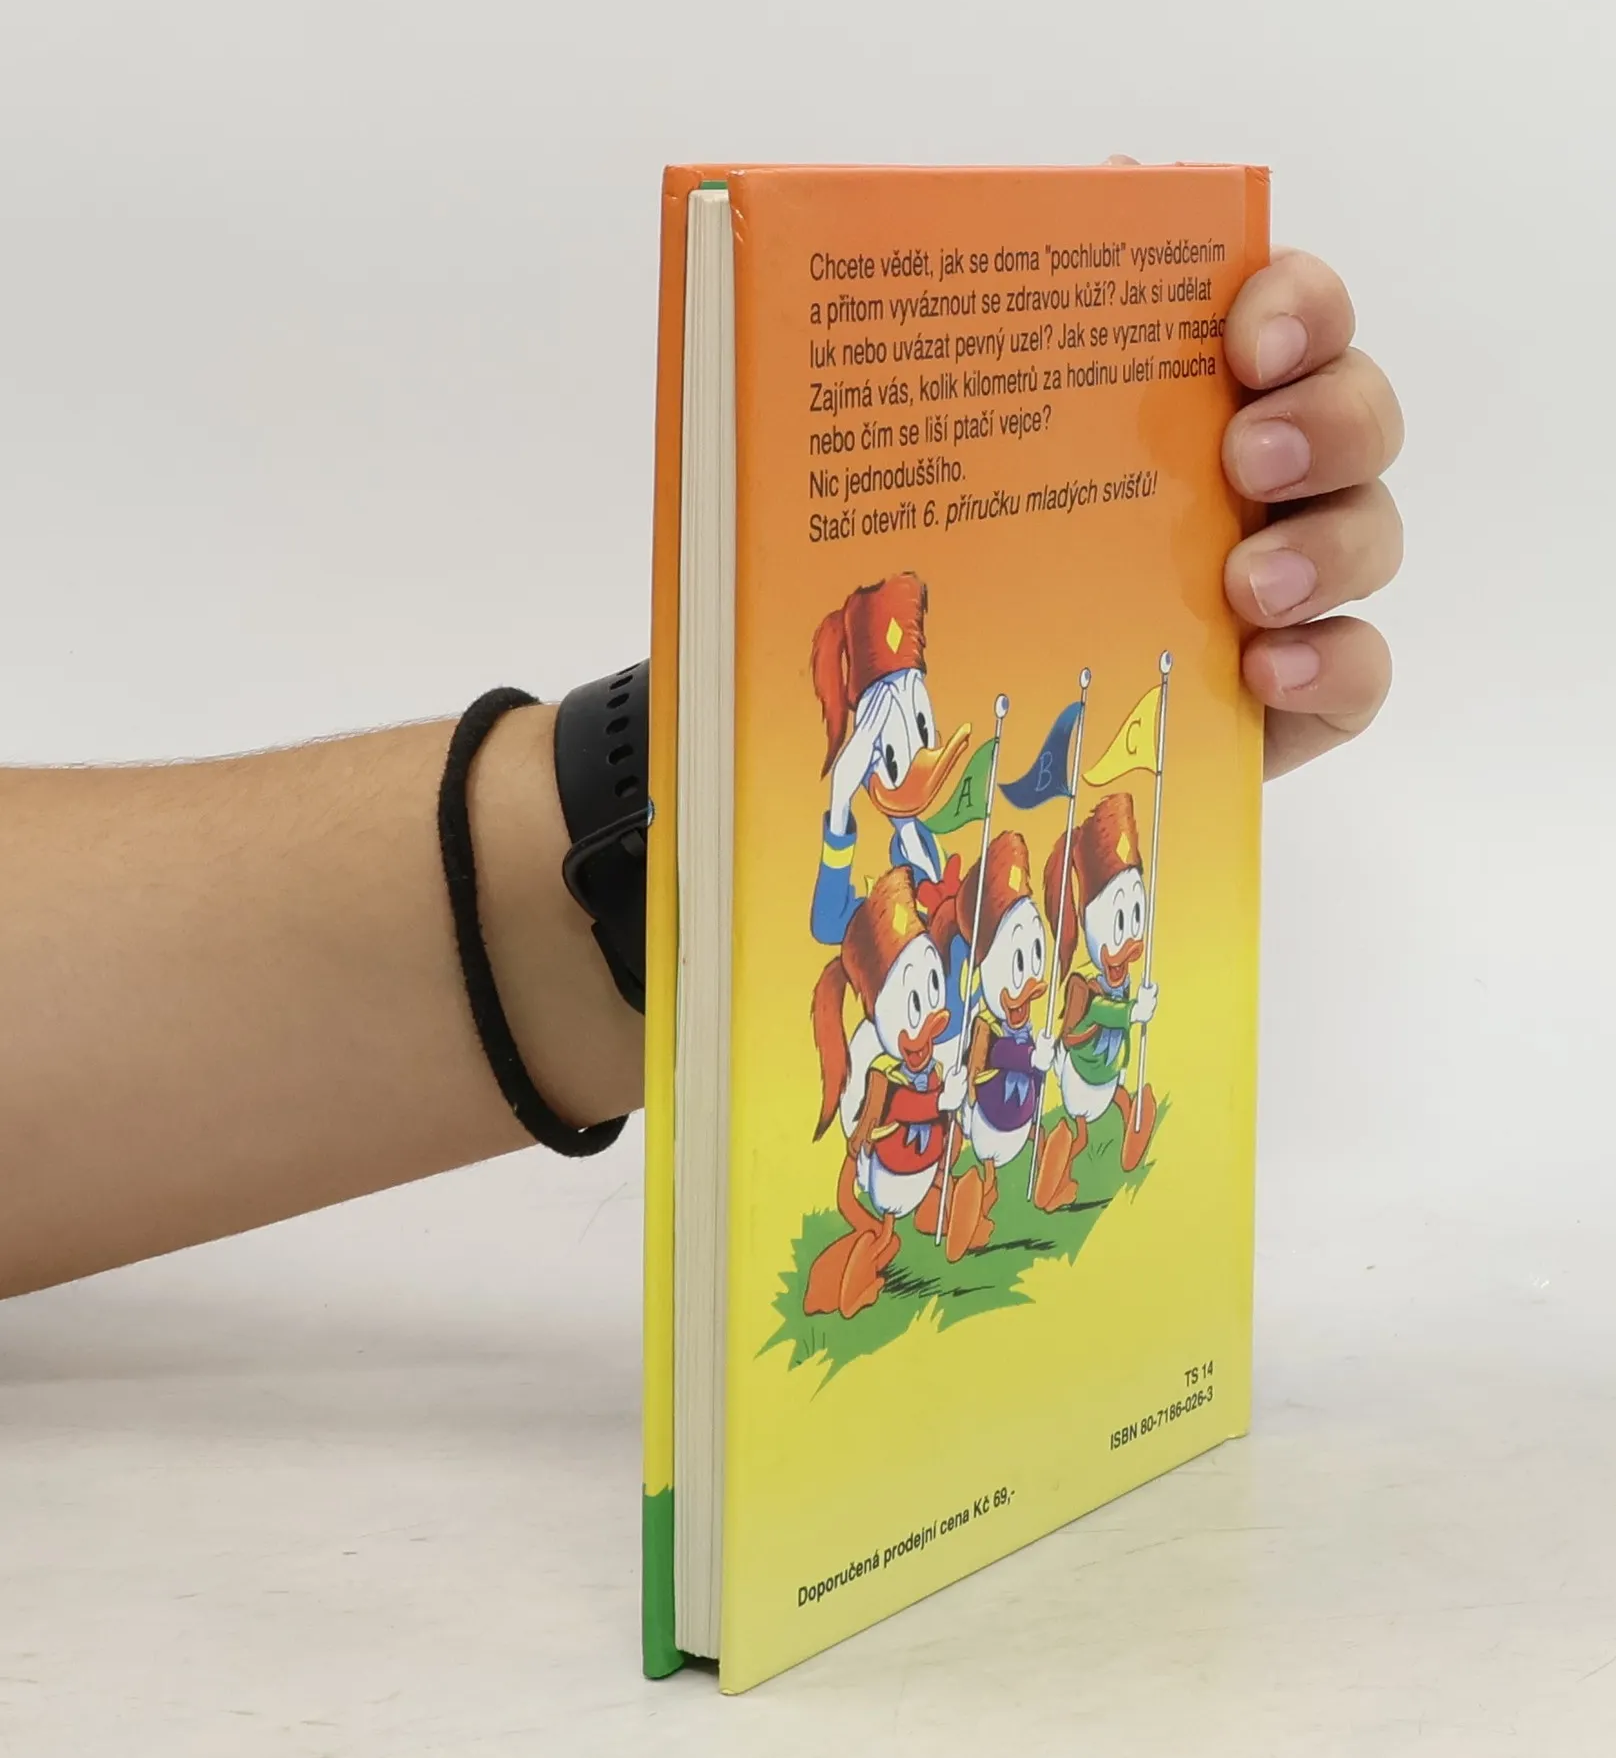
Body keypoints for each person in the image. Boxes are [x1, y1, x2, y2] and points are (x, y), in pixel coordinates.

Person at [0, 247, 1403, 1302]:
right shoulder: (857, 854)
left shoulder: (937, 828)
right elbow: (834, 923)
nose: (914, 747)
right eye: (893, 725)